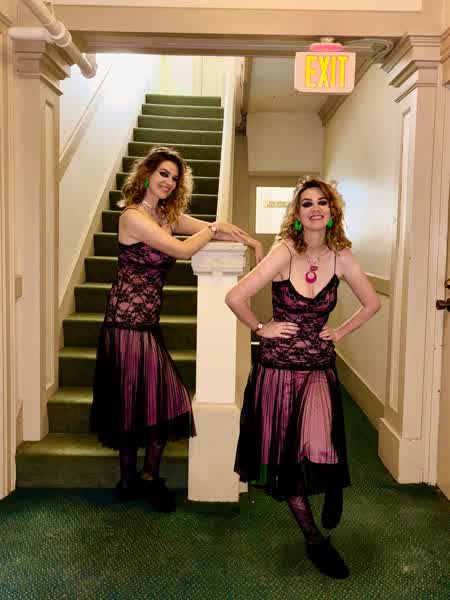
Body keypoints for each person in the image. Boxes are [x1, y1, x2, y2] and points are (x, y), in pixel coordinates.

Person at [90, 146, 263, 512]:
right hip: (124, 323)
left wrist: (248, 240)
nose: (169, 181)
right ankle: (132, 479)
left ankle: (144, 478)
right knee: (138, 401)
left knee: (156, 399)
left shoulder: (166, 216)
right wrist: (213, 229)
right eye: (163, 174)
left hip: (147, 324)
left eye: (174, 177)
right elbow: (183, 251)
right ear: (147, 175)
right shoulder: (133, 217)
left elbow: (215, 230)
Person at [225, 177, 380, 579]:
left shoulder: (342, 257)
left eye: (322, 202)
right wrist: (262, 328)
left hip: (319, 368)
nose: (315, 209)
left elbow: (372, 303)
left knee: (322, 442)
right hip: (278, 370)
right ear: (297, 213)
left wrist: (340, 332)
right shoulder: (284, 252)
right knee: (288, 458)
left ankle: (332, 487)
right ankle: (314, 541)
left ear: (332, 211)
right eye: (307, 203)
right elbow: (235, 296)